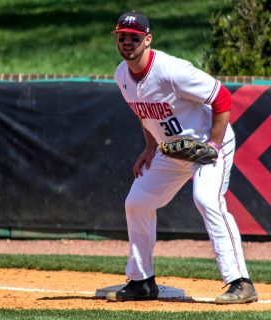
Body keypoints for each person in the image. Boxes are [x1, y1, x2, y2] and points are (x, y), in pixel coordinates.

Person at [106, 11, 258, 304]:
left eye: (134, 37)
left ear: (147, 39)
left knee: (206, 198)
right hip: (170, 151)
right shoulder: (121, 75)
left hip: (207, 146)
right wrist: (150, 147)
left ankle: (241, 281)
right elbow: (144, 112)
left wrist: (214, 143)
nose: (127, 41)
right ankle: (141, 282)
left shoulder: (172, 71)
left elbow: (221, 97)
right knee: (137, 202)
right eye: (122, 36)